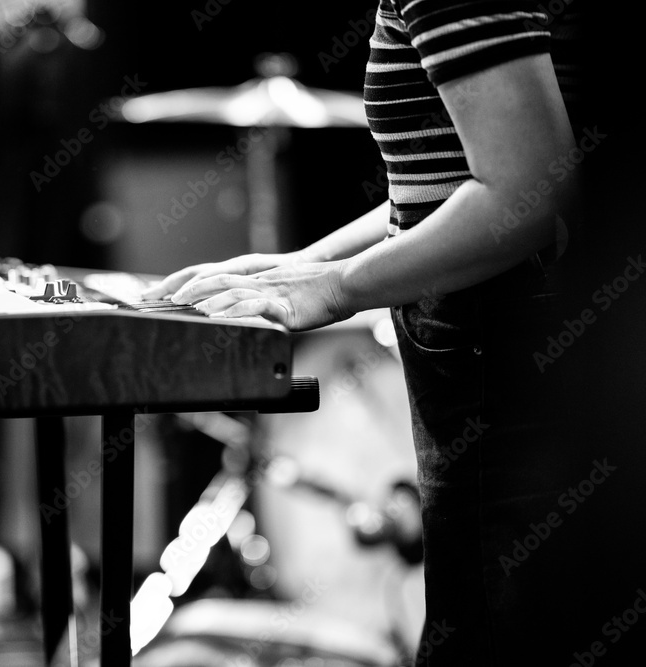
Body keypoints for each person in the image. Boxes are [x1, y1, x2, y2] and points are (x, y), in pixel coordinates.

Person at [143, 1, 596, 664]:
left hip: (513, 366)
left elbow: (528, 191)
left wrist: (335, 287)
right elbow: (442, 184)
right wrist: (305, 264)